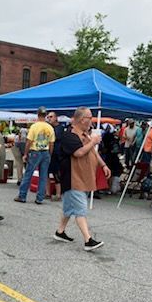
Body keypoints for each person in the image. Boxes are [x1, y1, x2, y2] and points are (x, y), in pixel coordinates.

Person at [53, 107, 111, 251]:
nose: (91, 121)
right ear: (80, 119)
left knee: (68, 208)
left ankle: (60, 232)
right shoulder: (69, 135)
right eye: (89, 118)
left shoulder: (85, 134)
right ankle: (88, 240)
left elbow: (92, 151)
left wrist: (103, 165)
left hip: (82, 177)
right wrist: (94, 142)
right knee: (80, 209)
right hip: (73, 178)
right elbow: (78, 153)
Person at [14, 107, 55, 204]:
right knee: (43, 176)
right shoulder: (50, 127)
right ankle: (40, 198)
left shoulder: (34, 126)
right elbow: (52, 143)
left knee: (28, 173)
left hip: (35, 151)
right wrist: (50, 154)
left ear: (38, 114)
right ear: (46, 116)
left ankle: (22, 195)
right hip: (45, 152)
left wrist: (25, 153)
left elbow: (29, 141)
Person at [46, 111, 64, 200]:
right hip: (49, 153)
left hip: (57, 155)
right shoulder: (49, 127)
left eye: (51, 117)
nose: (49, 119)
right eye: (48, 117)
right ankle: (47, 193)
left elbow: (54, 138)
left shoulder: (59, 128)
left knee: (56, 174)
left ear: (56, 118)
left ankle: (58, 194)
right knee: (46, 173)